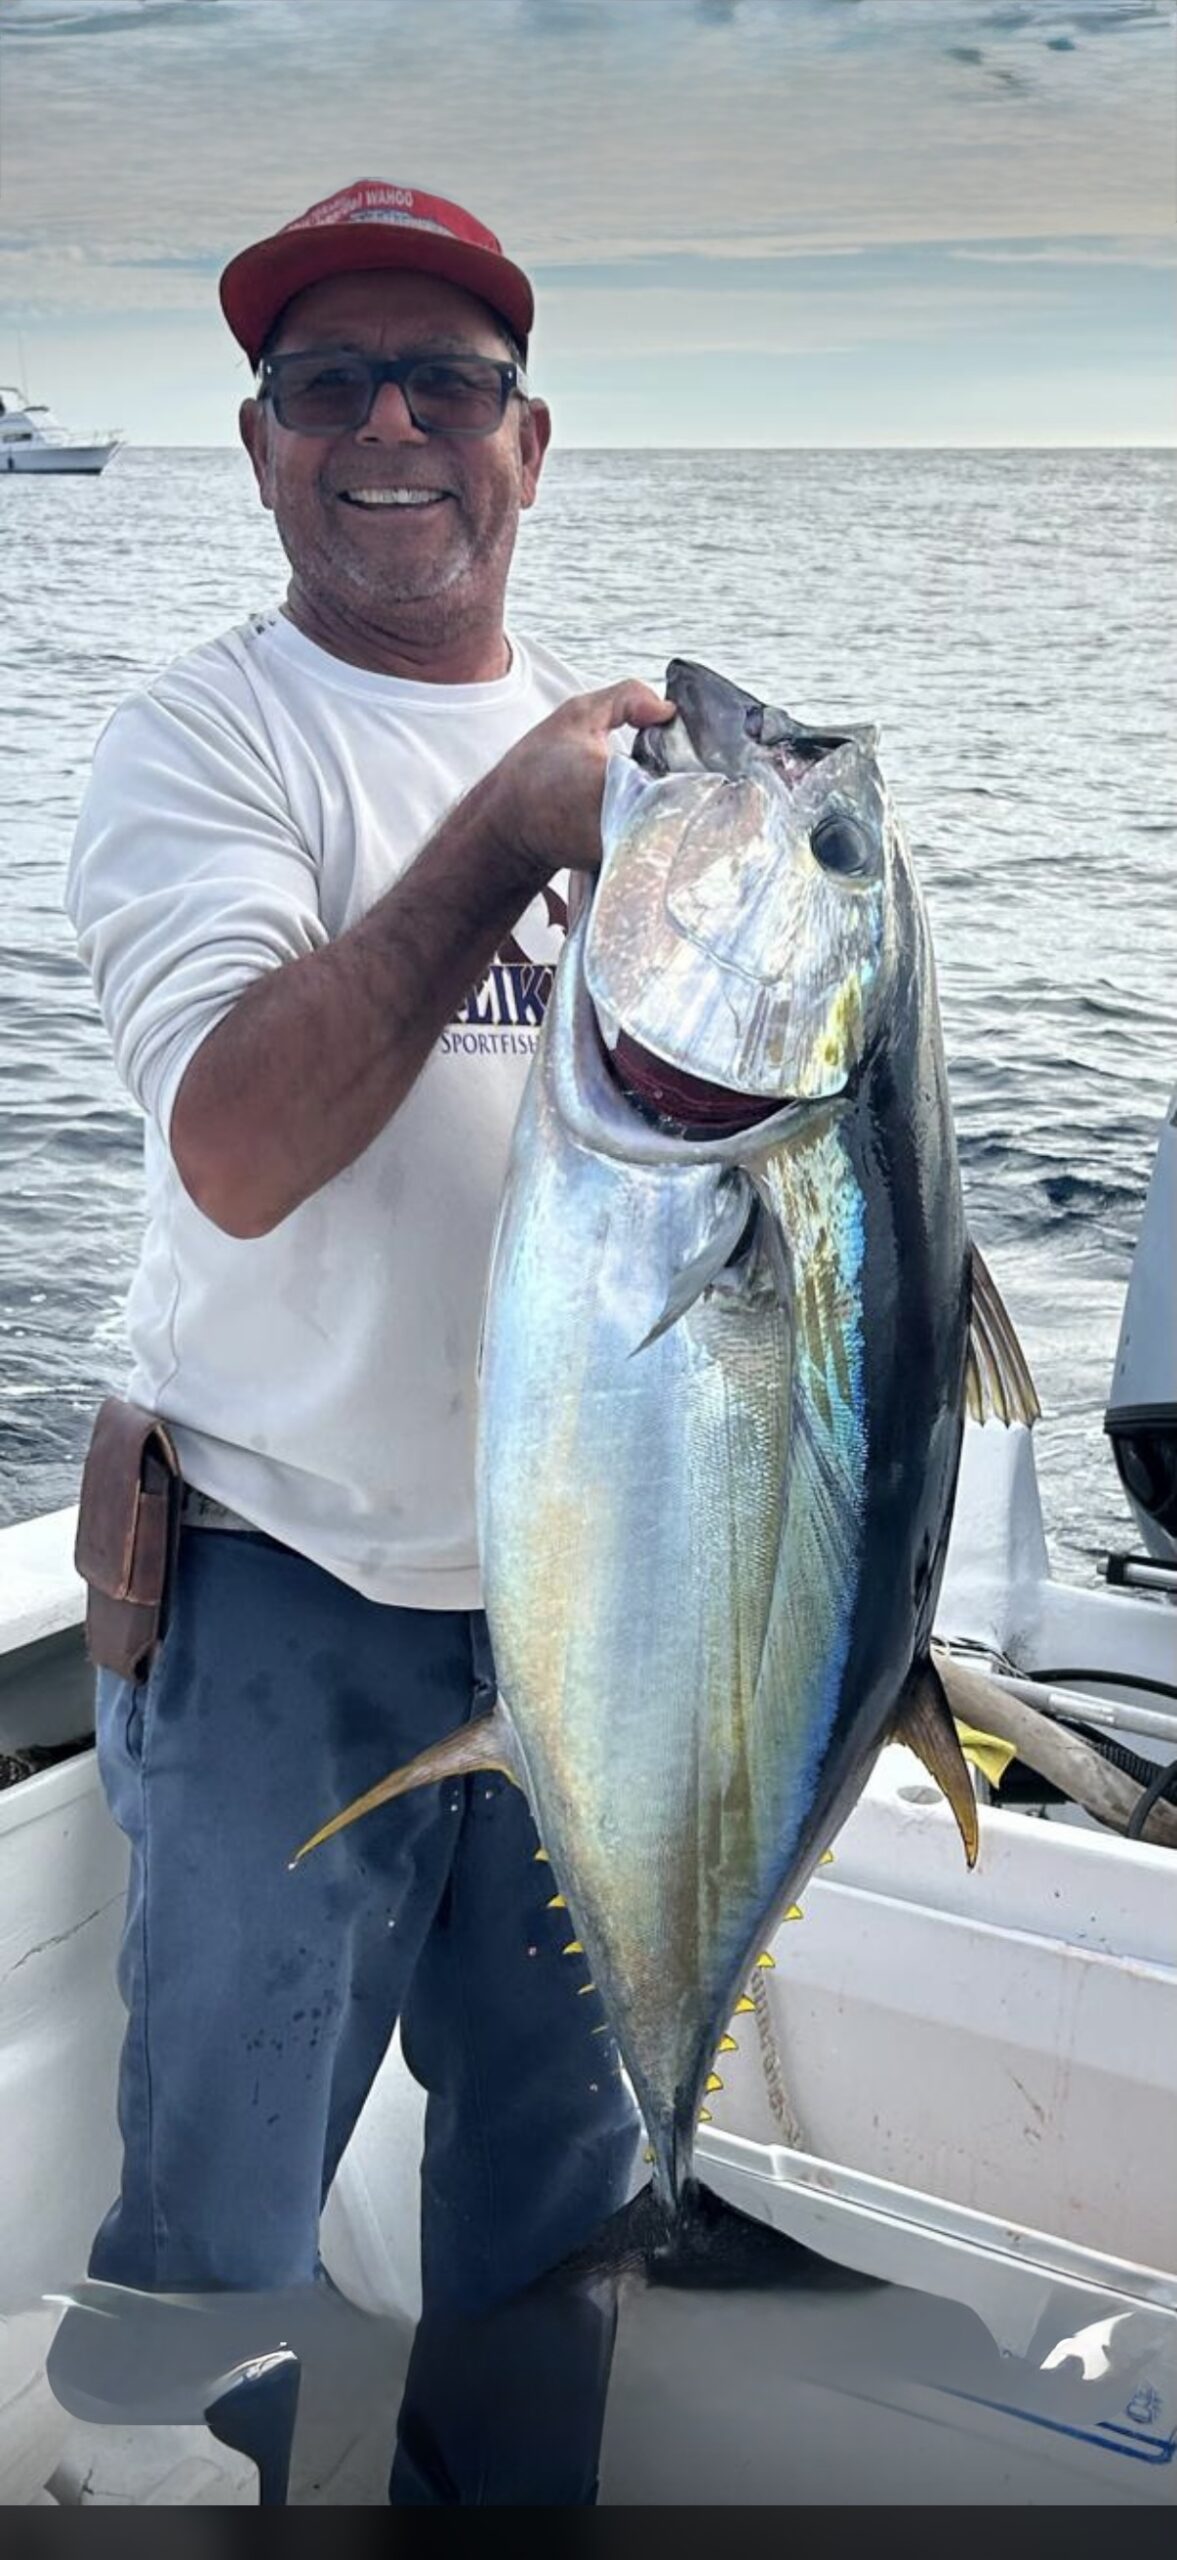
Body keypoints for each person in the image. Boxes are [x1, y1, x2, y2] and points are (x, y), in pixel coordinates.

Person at [64, 176, 673, 2506]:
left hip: (589, 1619)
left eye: (450, 381)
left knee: (549, 2222)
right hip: (281, 1608)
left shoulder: (636, 797)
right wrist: (505, 833)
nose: (390, 421)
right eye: (332, 383)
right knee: (213, 2237)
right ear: (257, 443)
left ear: (532, 448)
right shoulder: (205, 740)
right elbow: (233, 1139)